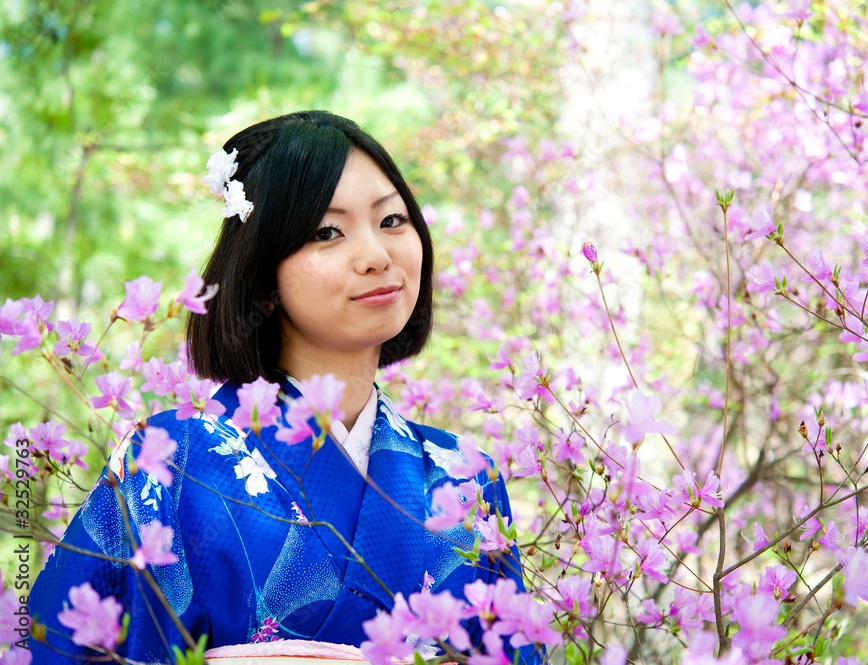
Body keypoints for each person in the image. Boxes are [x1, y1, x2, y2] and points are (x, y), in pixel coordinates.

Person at [28, 111, 539, 663]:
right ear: (263, 269)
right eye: (326, 232)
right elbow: (47, 646)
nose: (377, 256)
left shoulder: (466, 474)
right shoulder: (164, 459)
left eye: (392, 220)